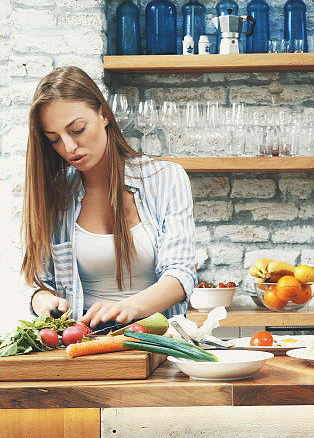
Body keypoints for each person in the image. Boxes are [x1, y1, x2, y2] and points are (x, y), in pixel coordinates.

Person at [23, 66, 197, 328]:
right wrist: (43, 300)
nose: (69, 147)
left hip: (157, 340)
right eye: (54, 139)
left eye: (78, 129)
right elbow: (38, 284)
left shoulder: (166, 178)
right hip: (83, 344)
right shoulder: (55, 194)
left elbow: (180, 275)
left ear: (103, 114)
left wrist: (127, 307)